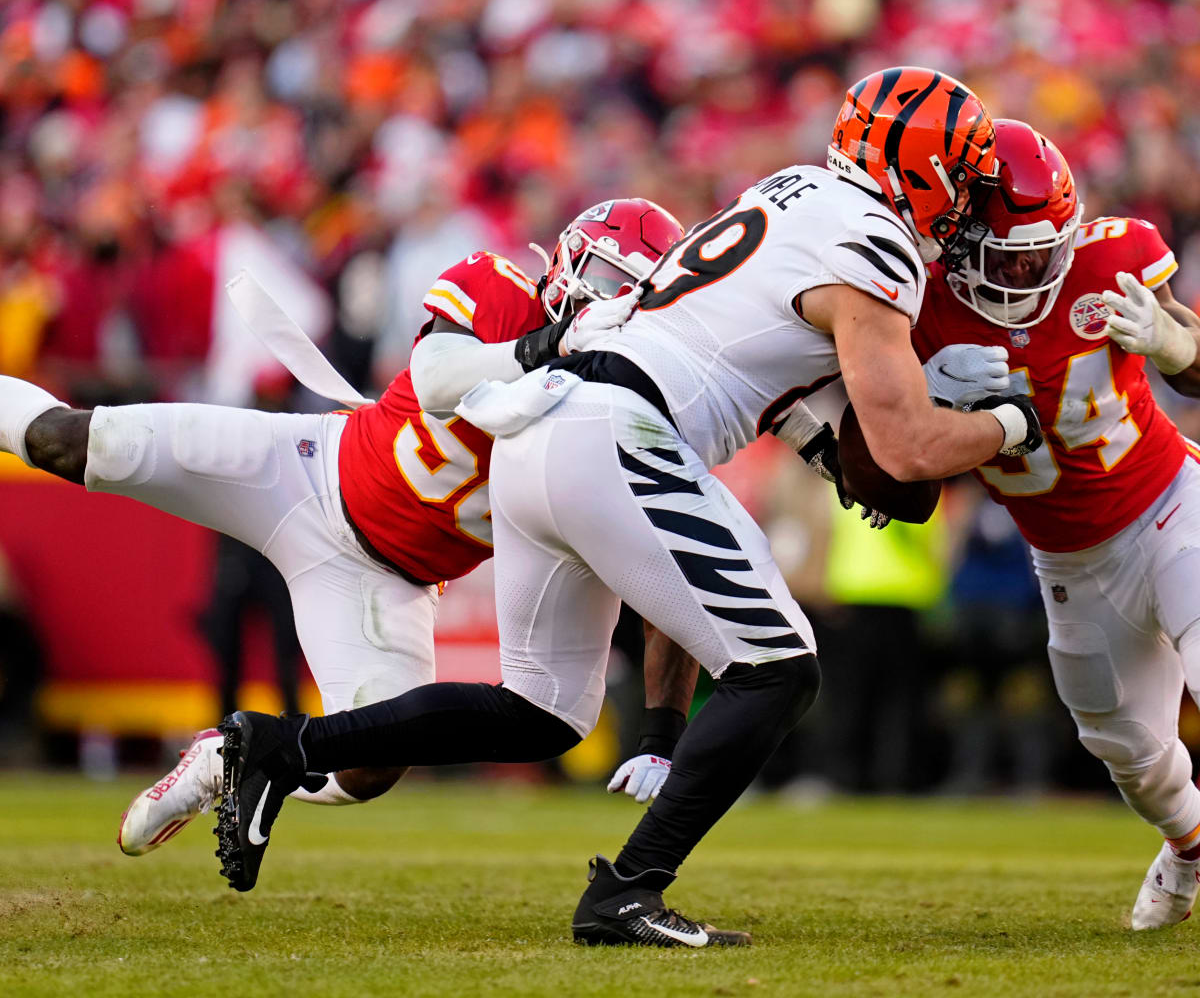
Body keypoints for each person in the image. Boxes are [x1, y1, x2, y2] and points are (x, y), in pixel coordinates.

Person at [211, 67, 1045, 947]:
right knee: (781, 668)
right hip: (619, 427)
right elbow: (908, 451)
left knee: (542, 709)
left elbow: (863, 463)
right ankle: (627, 892)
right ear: (919, 168)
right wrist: (1004, 422)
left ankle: (287, 747)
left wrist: (919, 395)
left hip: (543, 427)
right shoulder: (874, 243)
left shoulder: (793, 196)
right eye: (964, 174)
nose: (967, 200)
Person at [0, 198, 685, 854]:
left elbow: (660, 568)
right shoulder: (500, 287)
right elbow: (439, 374)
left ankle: (224, 760)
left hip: (391, 582)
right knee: (77, 442)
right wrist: (548, 346)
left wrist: (662, 732)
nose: (607, 300)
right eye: (602, 277)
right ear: (565, 260)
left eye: (630, 290)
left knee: (368, 768)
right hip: (305, 473)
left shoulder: (618, 403)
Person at [911, 118, 1200, 930]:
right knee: (1128, 754)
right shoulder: (914, 306)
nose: (1029, 270)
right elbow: (885, 462)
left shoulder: (1117, 254)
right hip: (1065, 557)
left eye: (1044, 251)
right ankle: (1187, 847)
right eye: (1007, 257)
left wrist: (1174, 345)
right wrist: (926, 401)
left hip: (1170, 501)